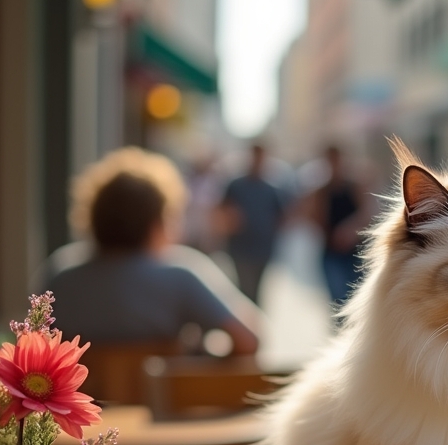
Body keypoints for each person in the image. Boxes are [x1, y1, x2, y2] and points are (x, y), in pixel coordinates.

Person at [43, 147, 261, 354]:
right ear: (156, 223)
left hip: (86, 394)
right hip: (162, 394)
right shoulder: (180, 277)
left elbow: (34, 347)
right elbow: (249, 339)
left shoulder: (60, 278)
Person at [219, 141, 290, 303]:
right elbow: (222, 211)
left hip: (263, 248)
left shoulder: (271, 189)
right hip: (240, 247)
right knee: (244, 290)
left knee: (256, 292)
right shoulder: (236, 186)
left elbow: (282, 217)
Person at [315, 145, 374, 305]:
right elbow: (314, 219)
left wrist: (349, 230)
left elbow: (366, 215)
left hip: (354, 252)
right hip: (332, 252)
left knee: (357, 299)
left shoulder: (355, 186)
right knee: (337, 300)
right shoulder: (322, 191)